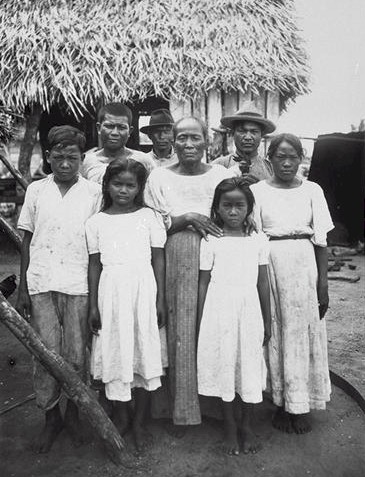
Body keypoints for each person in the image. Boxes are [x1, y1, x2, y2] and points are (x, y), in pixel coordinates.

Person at [144, 117, 233, 433]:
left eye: (195, 137)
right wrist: (187, 218)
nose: (188, 144)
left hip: (217, 259)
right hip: (175, 260)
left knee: (212, 329)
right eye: (181, 137)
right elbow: (150, 224)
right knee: (180, 331)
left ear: (206, 141)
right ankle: (180, 409)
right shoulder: (158, 177)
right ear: (173, 140)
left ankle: (216, 407)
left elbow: (236, 212)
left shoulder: (223, 175)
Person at [16, 126, 102, 453]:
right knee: (45, 352)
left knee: (77, 351)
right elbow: (26, 238)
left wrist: (95, 295)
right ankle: (51, 417)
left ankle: (76, 413)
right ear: (48, 157)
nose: (65, 163)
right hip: (40, 281)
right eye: (59, 156)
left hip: (78, 282)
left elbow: (96, 248)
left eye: (72, 157)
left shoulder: (94, 193)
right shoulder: (37, 191)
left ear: (82, 158)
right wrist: (23, 285)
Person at [251, 133, 333, 434]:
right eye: (280, 157)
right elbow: (255, 236)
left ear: (301, 159)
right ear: (269, 158)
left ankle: (302, 404)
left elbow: (321, 240)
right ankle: (282, 402)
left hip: (304, 265)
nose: (286, 163)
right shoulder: (258, 191)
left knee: (304, 331)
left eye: (292, 157)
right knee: (276, 330)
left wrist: (322, 283)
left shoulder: (312, 190)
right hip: (271, 264)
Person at [86, 159, 167, 451]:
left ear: (139, 188)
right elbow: (94, 264)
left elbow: (158, 259)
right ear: (107, 185)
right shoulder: (96, 222)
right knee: (116, 351)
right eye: (117, 184)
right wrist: (94, 305)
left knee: (143, 350)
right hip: (110, 291)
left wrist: (161, 298)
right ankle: (121, 415)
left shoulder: (149, 217)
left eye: (130, 185)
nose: (123, 190)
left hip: (142, 289)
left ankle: (140, 422)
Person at [197, 177, 271, 456]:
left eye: (239, 205)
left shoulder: (258, 240)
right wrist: (201, 318)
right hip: (219, 311)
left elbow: (263, 283)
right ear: (216, 208)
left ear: (249, 208)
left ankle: (247, 426)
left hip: (249, 309)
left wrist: (268, 318)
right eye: (226, 205)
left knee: (249, 367)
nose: (232, 211)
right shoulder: (211, 240)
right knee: (225, 366)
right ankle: (229, 427)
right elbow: (203, 282)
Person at [82, 102, 155, 183]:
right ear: (99, 128)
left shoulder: (143, 161)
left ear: (130, 131)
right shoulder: (86, 162)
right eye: (109, 126)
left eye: (121, 127)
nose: (115, 133)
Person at [212, 107, 276, 183]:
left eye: (254, 131)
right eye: (242, 131)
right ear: (233, 133)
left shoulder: (271, 169)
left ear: (261, 135)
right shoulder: (219, 165)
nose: (248, 137)